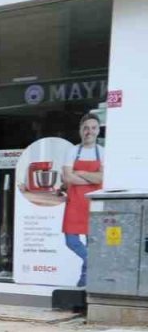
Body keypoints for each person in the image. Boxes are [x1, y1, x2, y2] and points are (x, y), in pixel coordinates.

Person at [61, 113, 103, 288]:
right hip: (75, 202)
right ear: (80, 130)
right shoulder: (72, 151)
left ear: (98, 130)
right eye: (86, 128)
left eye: (93, 128)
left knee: (92, 242)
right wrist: (91, 178)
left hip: (93, 204)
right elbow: (67, 178)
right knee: (71, 240)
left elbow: (102, 178)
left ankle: (84, 281)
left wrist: (81, 173)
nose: (89, 131)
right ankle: (93, 264)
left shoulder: (102, 152)